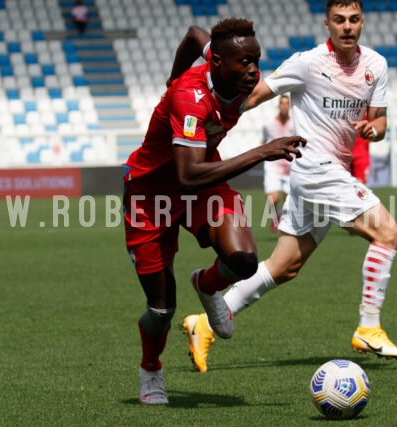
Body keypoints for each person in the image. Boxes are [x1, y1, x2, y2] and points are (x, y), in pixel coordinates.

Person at [181, 0, 397, 374]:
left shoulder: (376, 66)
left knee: (284, 267)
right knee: (388, 233)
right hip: (316, 168)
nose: (347, 27)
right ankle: (369, 326)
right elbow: (254, 96)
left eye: (353, 20)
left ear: (362, 23)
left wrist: (373, 130)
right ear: (327, 24)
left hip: (328, 173)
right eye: (339, 20)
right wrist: (211, 119)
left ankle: (203, 323)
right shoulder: (308, 63)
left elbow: (379, 122)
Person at [122, 18, 306, 404]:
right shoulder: (192, 97)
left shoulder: (227, 66)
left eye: (256, 60)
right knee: (160, 309)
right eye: (244, 62)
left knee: (244, 261)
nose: (253, 70)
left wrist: (168, 83)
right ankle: (151, 370)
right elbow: (187, 175)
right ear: (219, 63)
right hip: (151, 195)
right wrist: (263, 151)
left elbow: (192, 33)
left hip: (203, 182)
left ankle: (206, 285)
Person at [261, 95, 294, 232]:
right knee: (272, 199)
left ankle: (286, 223)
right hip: (273, 167)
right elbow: (263, 141)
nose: (285, 106)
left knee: (288, 200)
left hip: (290, 167)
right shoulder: (268, 125)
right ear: (279, 106)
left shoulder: (295, 124)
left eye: (287, 103)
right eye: (282, 103)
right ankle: (277, 214)